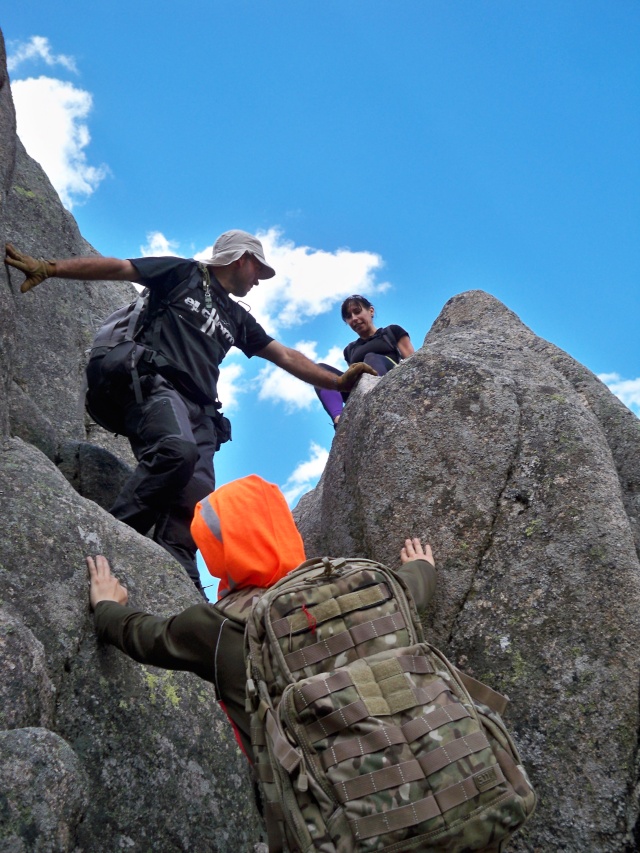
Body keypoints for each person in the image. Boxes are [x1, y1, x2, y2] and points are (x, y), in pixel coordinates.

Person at [5, 233, 375, 593]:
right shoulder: (182, 273)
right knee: (174, 450)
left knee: (194, 503)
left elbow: (285, 356)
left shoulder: (237, 318)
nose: (258, 281)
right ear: (241, 258)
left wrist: (340, 382)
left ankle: (181, 584)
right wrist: (49, 267)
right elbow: (118, 268)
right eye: (257, 271)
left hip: (202, 412)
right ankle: (112, 538)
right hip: (155, 383)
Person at [87, 475, 436, 762]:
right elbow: (410, 591)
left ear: (215, 551)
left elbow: (144, 637)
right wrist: (421, 566)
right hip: (437, 767)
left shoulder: (215, 627)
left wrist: (106, 606)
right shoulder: (360, 587)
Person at [315, 294, 415, 426]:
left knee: (370, 358)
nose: (354, 318)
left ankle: (375, 399)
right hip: (360, 389)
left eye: (357, 312)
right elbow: (352, 376)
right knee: (320, 371)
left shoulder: (392, 332)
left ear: (371, 311)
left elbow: (413, 363)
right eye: (349, 316)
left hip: (389, 379)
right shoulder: (350, 350)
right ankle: (340, 419)